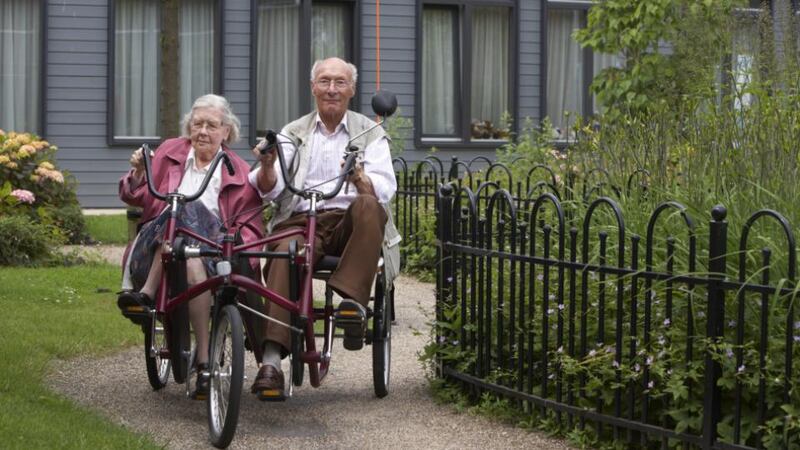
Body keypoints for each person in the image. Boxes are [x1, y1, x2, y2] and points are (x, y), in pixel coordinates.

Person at [247, 57, 400, 399]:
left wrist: (359, 177)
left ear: (352, 90)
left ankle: (352, 305)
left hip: (349, 224)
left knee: (369, 205)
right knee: (286, 250)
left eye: (340, 82)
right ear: (313, 88)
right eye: (325, 82)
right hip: (302, 219)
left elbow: (385, 189)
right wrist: (268, 164)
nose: (332, 89)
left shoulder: (370, 132)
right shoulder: (293, 131)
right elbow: (270, 189)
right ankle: (271, 363)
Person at [118, 94, 264, 398]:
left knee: (189, 227)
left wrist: (238, 251)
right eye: (197, 124)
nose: (203, 131)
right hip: (157, 242)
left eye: (212, 125)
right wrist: (139, 173)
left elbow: (250, 228)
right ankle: (149, 291)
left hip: (207, 253)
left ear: (226, 131)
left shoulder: (238, 170)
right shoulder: (169, 152)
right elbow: (136, 197)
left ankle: (202, 361)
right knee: (179, 207)